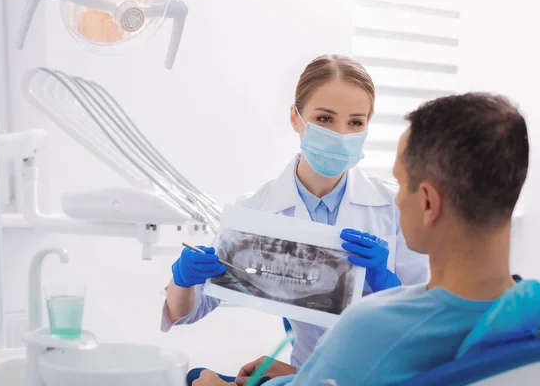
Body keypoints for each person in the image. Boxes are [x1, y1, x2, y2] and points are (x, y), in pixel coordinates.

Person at [192, 92, 530, 385]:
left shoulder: (368, 329)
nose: (396, 199)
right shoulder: (527, 315)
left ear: (427, 203)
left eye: (401, 182)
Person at [162, 55, 430, 381]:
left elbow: (426, 320)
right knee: (196, 376)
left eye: (355, 122)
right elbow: (186, 311)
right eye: (325, 118)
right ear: (296, 118)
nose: (341, 134)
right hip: (308, 374)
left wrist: (387, 285)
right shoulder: (257, 211)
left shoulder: (395, 206)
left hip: (382, 376)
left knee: (202, 379)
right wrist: (183, 280)